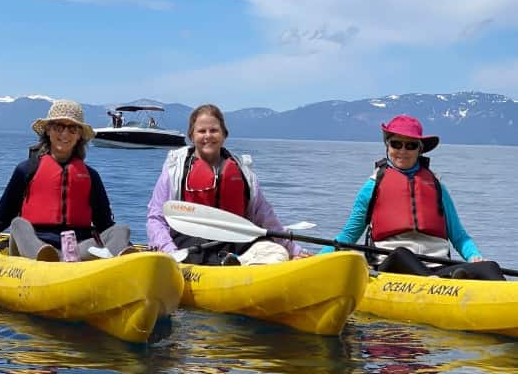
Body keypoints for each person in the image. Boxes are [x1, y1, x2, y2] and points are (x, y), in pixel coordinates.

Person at [322, 114, 504, 280]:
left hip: (437, 267)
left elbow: (459, 236)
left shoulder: (437, 186)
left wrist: (474, 256)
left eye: (411, 145)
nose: (403, 151)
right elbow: (349, 235)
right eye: (396, 144)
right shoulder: (372, 186)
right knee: (402, 254)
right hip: (392, 268)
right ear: (387, 146)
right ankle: (442, 286)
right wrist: (318, 258)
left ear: (420, 149)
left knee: (489, 267)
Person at [0, 99, 131, 261]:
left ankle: (124, 261)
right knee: (18, 224)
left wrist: (126, 244)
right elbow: (0, 218)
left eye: (72, 129)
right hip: (33, 247)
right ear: (48, 130)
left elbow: (105, 224)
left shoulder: (91, 176)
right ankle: (46, 256)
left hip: (77, 250)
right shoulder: (26, 170)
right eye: (58, 127)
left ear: (79, 135)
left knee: (121, 230)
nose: (65, 134)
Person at [147, 103, 304, 265]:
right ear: (192, 136)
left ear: (224, 134)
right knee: (201, 257)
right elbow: (156, 218)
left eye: (214, 130)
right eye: (201, 131)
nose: (208, 136)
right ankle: (232, 264)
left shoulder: (243, 172)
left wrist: (294, 250)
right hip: (189, 241)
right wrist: (169, 251)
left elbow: (266, 217)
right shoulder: (175, 170)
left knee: (277, 252)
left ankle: (237, 262)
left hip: (236, 239)